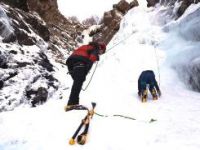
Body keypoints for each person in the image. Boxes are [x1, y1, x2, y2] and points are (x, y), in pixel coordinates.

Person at [64, 41, 106, 111]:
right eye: (102, 52)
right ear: (100, 48)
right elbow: (92, 58)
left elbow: (76, 54)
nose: (101, 53)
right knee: (78, 82)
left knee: (78, 82)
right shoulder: (95, 48)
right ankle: (72, 104)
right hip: (80, 62)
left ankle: (73, 103)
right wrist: (85, 72)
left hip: (70, 63)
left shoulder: (85, 46)